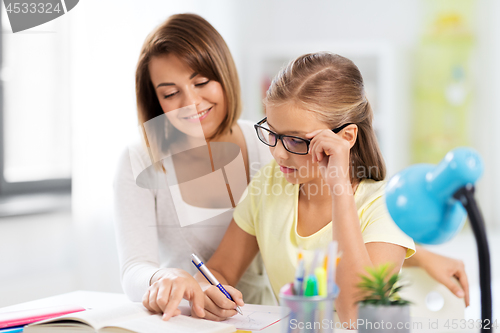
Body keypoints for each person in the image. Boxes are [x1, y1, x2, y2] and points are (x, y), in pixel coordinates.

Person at [114, 14, 470, 322]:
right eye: (273, 134)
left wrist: (341, 193)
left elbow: (354, 314)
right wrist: (208, 289)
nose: (280, 154)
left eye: (297, 141)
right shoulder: (272, 178)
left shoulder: (377, 203)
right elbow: (222, 269)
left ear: (345, 138)